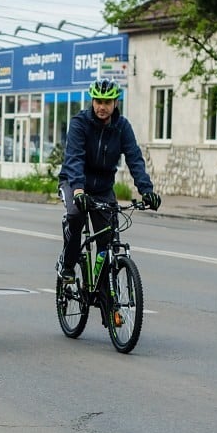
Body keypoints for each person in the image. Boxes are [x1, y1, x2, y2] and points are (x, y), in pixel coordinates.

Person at [56, 79, 161, 283]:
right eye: (98, 101)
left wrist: (146, 190)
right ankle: (67, 264)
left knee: (109, 239)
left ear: (115, 103)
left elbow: (134, 158)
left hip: (103, 188)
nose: (102, 107)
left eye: (107, 102)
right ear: (92, 101)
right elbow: (74, 158)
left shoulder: (122, 127)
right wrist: (78, 190)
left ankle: (106, 298)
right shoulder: (80, 123)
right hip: (74, 182)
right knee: (76, 215)